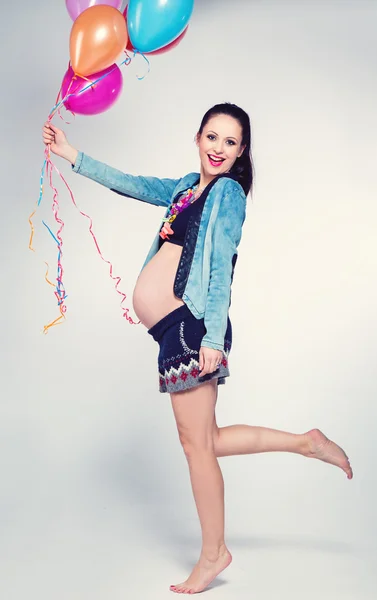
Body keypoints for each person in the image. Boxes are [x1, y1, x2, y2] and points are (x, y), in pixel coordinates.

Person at [42, 103, 353, 595]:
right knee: (206, 440)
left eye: (230, 142)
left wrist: (210, 338)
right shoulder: (189, 188)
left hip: (191, 329)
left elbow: (222, 265)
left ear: (241, 151)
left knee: (196, 448)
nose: (218, 148)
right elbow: (136, 184)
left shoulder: (227, 194)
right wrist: (72, 155)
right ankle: (305, 442)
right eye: (212, 136)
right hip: (176, 330)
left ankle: (214, 554)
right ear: (198, 137)